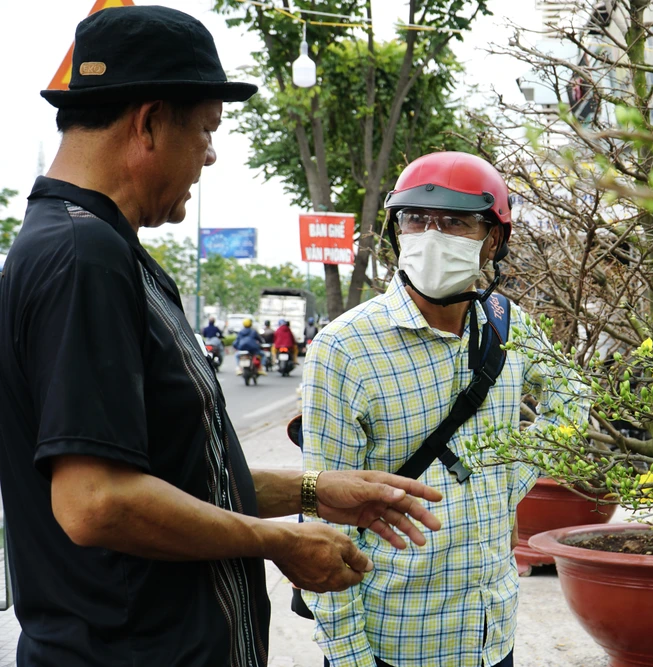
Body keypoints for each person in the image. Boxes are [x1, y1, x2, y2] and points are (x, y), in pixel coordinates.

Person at [0, 7, 443, 667]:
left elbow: (178, 475)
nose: (210, 153)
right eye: (207, 128)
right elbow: (96, 502)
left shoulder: (93, 248)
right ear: (150, 122)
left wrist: (315, 490)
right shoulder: (82, 256)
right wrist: (277, 541)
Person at [301, 152, 587, 667]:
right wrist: (349, 657)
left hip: (490, 634)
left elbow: (573, 398)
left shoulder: (508, 324)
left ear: (492, 241)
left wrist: (509, 481)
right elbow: (324, 522)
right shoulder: (344, 348)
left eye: (455, 221)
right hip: (394, 640)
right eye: (416, 219)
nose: (431, 236)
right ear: (398, 230)